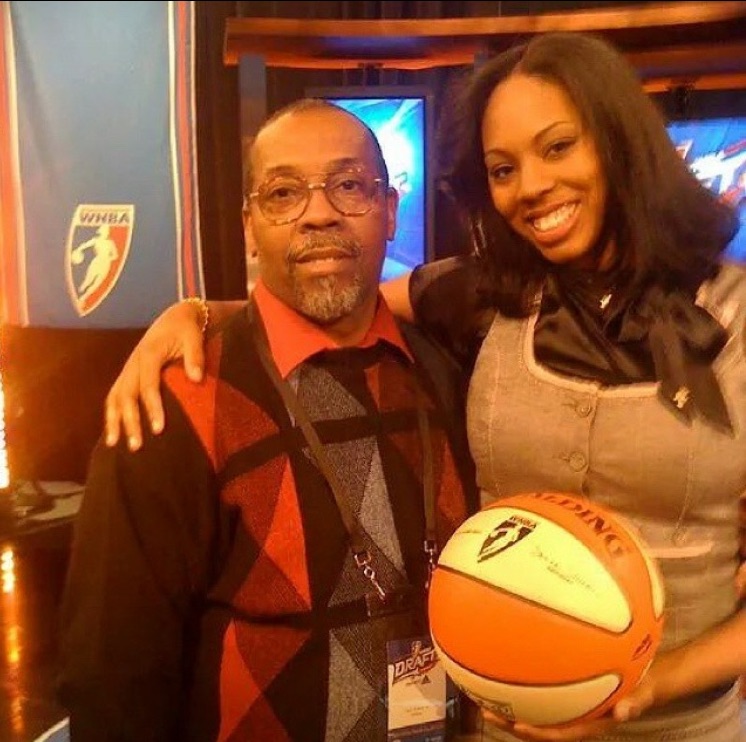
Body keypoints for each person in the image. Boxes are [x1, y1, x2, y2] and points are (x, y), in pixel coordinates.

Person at [100, 32, 746, 742]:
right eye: (503, 168)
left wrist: (649, 686)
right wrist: (192, 314)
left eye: (559, 147)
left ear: (623, 142)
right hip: (499, 725)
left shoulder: (736, 319)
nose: (530, 186)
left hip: (682, 725)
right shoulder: (483, 297)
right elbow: (334, 289)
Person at [57, 98, 481, 741]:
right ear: (251, 227)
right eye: (284, 193)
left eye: (348, 186)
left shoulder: (443, 374)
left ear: (390, 211)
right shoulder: (175, 407)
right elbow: (112, 674)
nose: (319, 213)